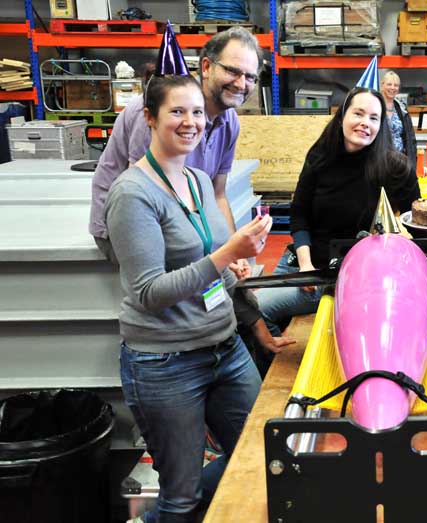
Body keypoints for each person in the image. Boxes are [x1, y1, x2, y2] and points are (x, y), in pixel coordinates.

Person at [104, 73, 268, 522]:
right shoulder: (133, 194)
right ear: (150, 118)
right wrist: (223, 257)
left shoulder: (197, 181)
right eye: (177, 111)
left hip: (224, 347)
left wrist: (233, 271)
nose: (190, 122)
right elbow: (149, 292)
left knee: (262, 457)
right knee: (180, 497)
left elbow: (207, 269)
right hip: (166, 362)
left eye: (197, 112)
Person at [90, 26, 261, 277]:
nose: (241, 83)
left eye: (250, 77)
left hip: (186, 219)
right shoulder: (154, 112)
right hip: (135, 224)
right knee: (216, 283)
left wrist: (232, 250)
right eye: (232, 71)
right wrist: (220, 256)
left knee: (233, 283)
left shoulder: (230, 121)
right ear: (206, 67)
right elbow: (141, 202)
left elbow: (218, 194)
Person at [255, 86, 421, 331]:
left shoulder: (393, 167)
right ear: (343, 115)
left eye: (373, 118)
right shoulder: (320, 156)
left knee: (257, 310)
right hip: (302, 260)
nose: (365, 123)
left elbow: (416, 221)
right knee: (247, 311)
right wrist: (304, 264)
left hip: (336, 273)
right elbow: (299, 212)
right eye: (358, 114)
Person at [380, 70, 418, 172]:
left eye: (396, 85)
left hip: (400, 162)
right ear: (382, 85)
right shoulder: (375, 107)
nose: (392, 88)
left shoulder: (402, 109)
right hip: (380, 162)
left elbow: (411, 139)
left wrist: (412, 165)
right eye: (389, 84)